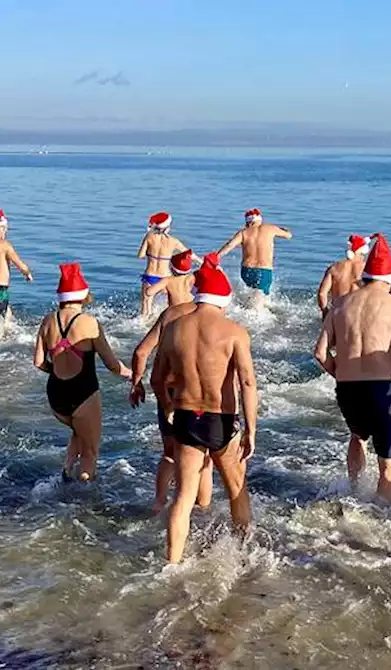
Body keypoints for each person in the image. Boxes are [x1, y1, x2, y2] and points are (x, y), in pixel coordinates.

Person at [157, 256, 258, 563]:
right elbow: (248, 383)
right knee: (236, 491)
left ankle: (172, 563)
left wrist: (169, 407)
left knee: (184, 498)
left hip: (187, 417)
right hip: (221, 420)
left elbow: (156, 379)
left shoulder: (174, 328)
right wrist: (251, 429)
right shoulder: (234, 331)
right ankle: (242, 556)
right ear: (223, 299)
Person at [314, 234, 391, 503]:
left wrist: (340, 372)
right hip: (384, 387)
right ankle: (382, 514)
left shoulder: (340, 304)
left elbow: (320, 352)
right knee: (388, 461)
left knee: (357, 436)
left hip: (347, 388)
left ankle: (354, 491)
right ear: (389, 279)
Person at [33, 263, 131, 482]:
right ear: (83, 295)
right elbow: (112, 365)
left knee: (79, 432)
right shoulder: (89, 323)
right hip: (83, 394)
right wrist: (131, 374)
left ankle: (66, 472)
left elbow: (38, 362)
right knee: (91, 452)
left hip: (56, 394)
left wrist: (56, 371)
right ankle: (84, 500)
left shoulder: (48, 321)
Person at [129, 267, 214, 515]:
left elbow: (141, 352)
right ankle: (203, 507)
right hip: (198, 393)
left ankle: (159, 501)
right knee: (204, 456)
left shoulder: (170, 314)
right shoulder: (217, 318)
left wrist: (136, 382)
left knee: (169, 452)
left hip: (168, 391)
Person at [216, 208, 292, 308]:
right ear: (260, 219)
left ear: (248, 222)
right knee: (262, 299)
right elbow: (288, 236)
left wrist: (216, 257)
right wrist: (285, 230)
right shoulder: (270, 228)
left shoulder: (243, 233)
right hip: (264, 271)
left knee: (251, 295)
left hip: (246, 271)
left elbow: (229, 245)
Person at [137, 212, 188, 317]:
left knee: (146, 308)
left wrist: (151, 253)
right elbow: (189, 254)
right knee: (166, 306)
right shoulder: (173, 241)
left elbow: (140, 255)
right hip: (165, 278)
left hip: (150, 276)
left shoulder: (149, 237)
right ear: (167, 227)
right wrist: (202, 262)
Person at [316, 234, 371, 317]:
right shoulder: (367, 270)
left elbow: (322, 294)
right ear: (363, 252)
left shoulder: (334, 268)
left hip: (337, 313)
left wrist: (325, 312)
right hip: (357, 314)